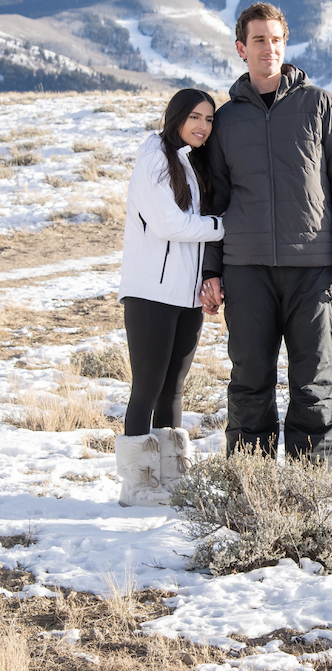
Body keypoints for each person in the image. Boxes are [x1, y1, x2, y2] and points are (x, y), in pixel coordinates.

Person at [200, 1, 332, 465]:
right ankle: (250, 493)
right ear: (240, 49)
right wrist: (212, 270)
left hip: (312, 268)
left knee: (314, 384)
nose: (268, 48)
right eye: (258, 40)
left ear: (284, 45)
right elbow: (214, 202)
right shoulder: (226, 121)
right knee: (249, 382)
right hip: (246, 268)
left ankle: (310, 494)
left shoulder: (321, 106)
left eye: (275, 39)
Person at [116, 89, 225, 507]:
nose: (202, 126)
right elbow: (169, 224)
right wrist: (222, 226)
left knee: (174, 389)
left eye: (209, 119)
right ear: (176, 116)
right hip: (150, 293)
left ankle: (170, 480)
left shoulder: (188, 162)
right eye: (195, 116)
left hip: (185, 295)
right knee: (147, 386)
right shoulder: (154, 157)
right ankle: (137, 485)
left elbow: (187, 232)